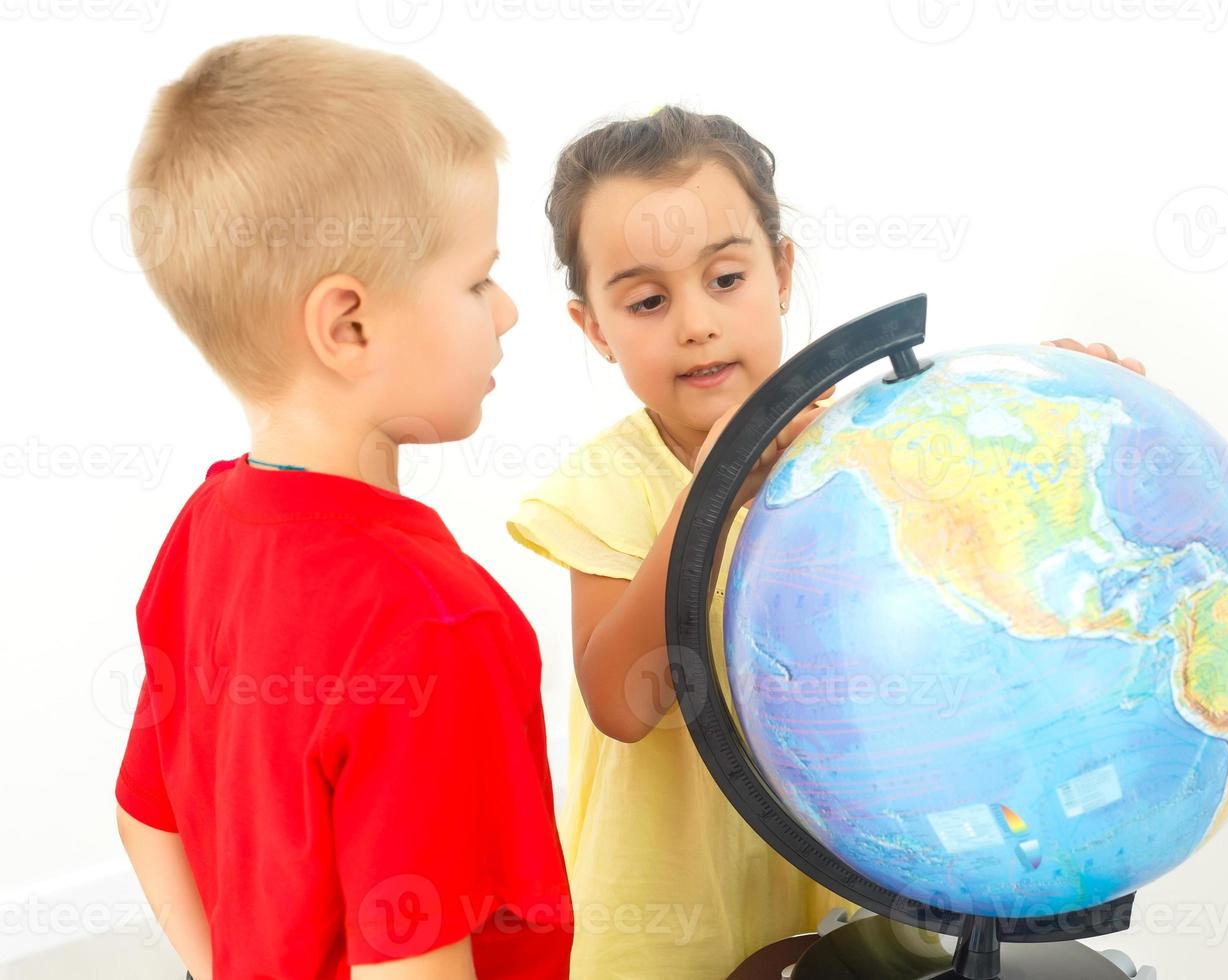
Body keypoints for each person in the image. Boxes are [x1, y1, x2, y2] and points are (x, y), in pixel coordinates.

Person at [508, 105, 1145, 978]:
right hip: (667, 940)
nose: (695, 322)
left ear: (780, 272)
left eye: (725, 279)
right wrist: (709, 498)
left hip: (854, 924)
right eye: (649, 300)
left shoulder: (859, 452)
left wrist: (1065, 421)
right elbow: (622, 702)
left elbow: (973, 580)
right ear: (593, 328)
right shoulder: (611, 483)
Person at [113, 36, 570, 979]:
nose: (509, 310)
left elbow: (143, 818)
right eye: (476, 279)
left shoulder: (203, 533)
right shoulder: (437, 627)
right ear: (349, 325)